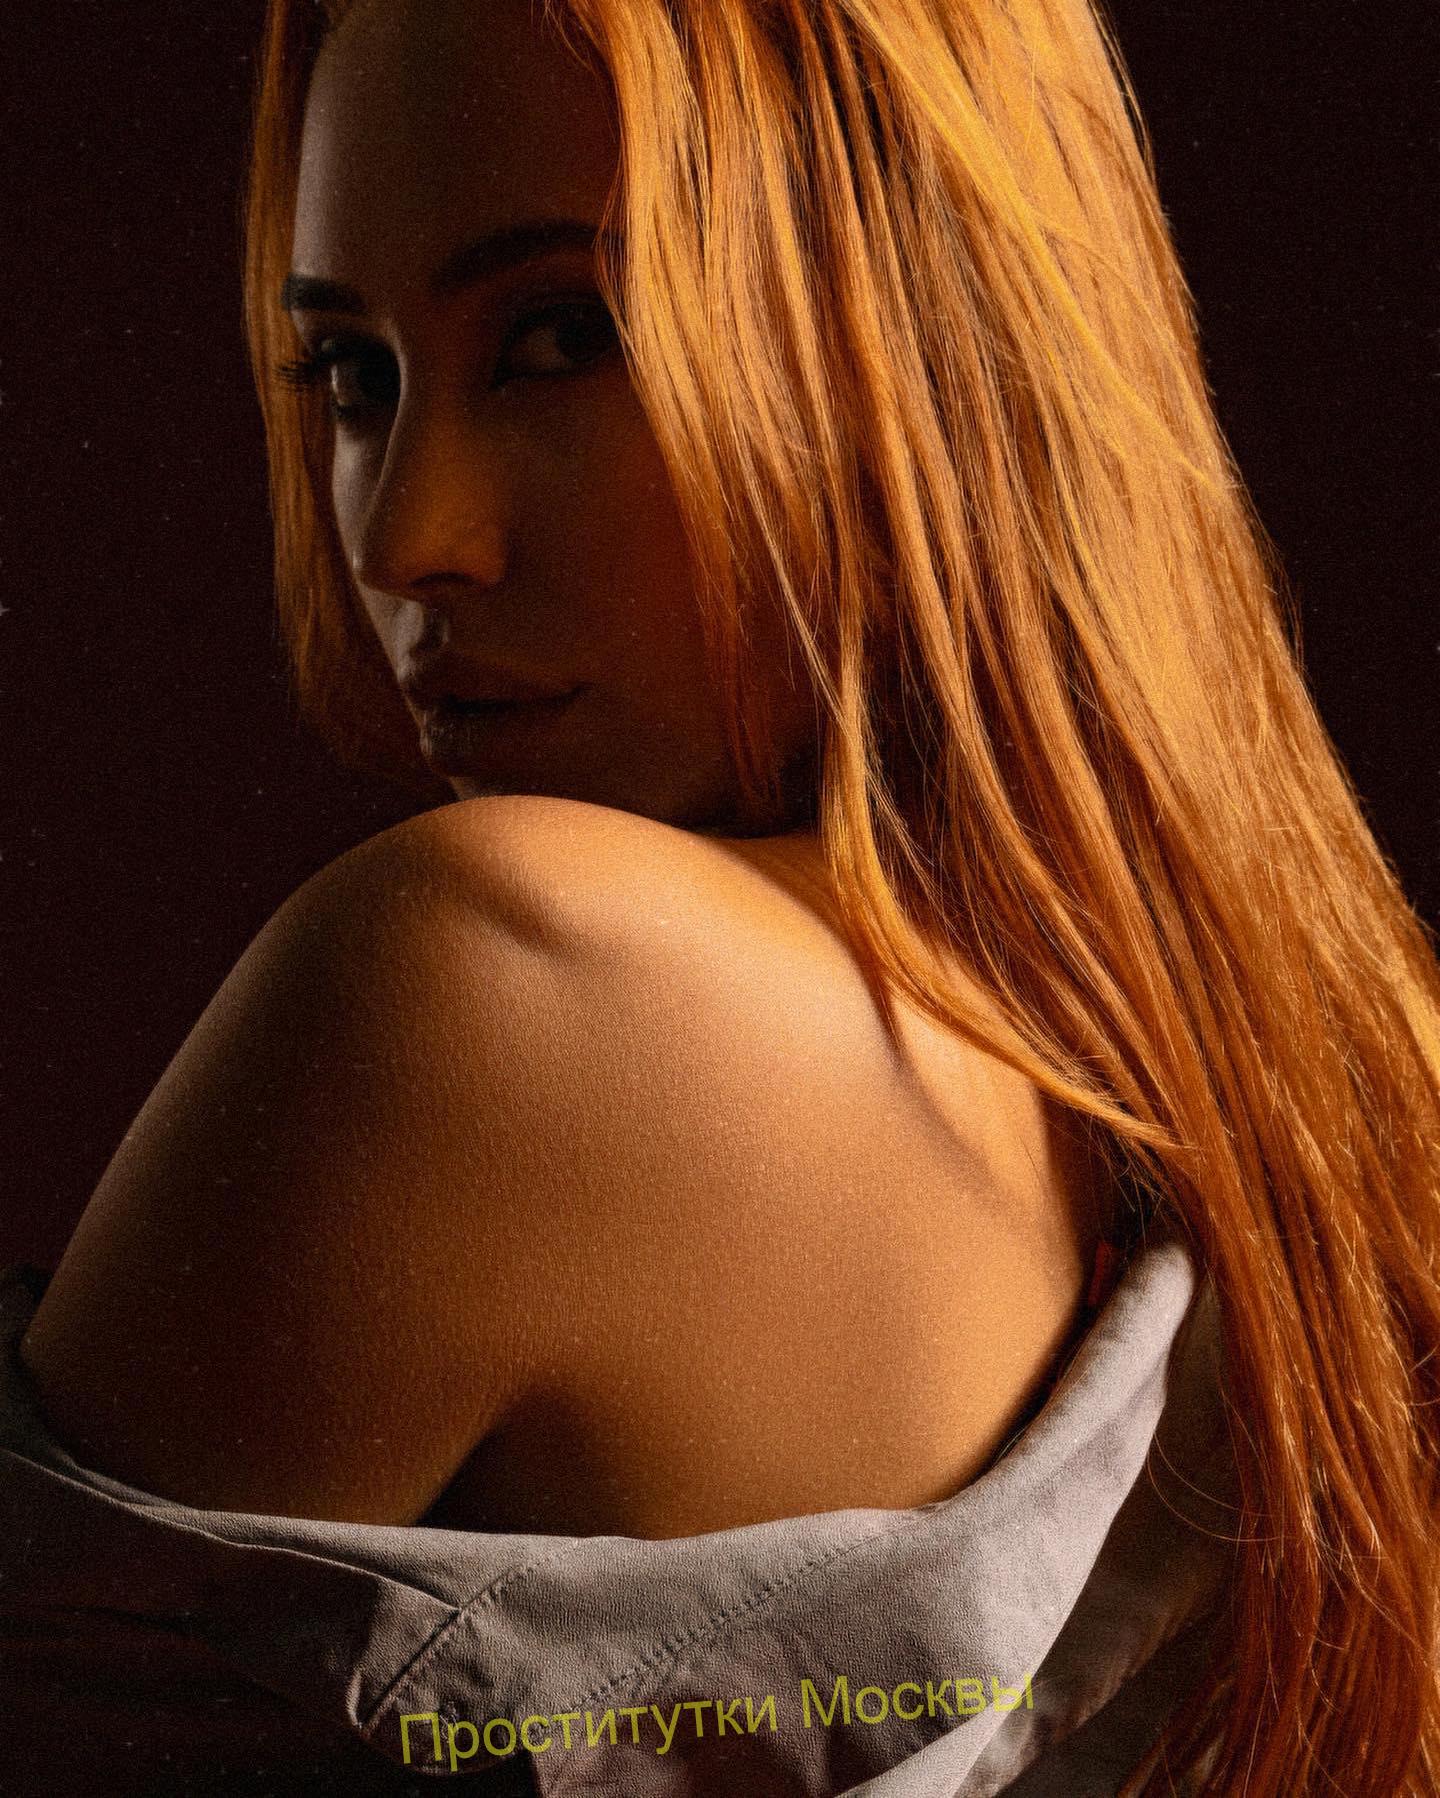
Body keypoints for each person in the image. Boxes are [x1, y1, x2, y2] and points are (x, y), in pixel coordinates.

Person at [1, 0, 1436, 1792]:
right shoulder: (1311, 1115)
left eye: (561, 337)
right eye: (352, 377)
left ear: (921, 330)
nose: (404, 539)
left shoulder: (497, 975)